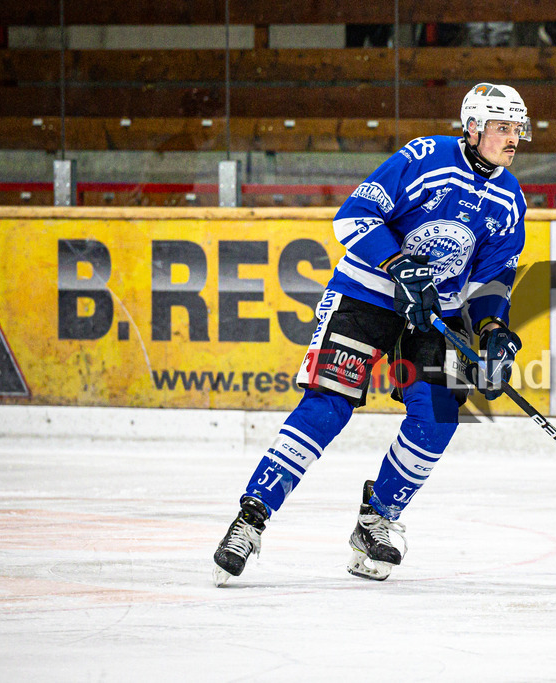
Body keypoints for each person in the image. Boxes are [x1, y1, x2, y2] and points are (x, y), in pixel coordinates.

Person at [212, 83, 531, 585]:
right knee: (327, 405)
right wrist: (400, 264)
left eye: (517, 129)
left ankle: (377, 518)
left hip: (435, 313)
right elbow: (354, 215)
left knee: (439, 415)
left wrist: (491, 329)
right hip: (367, 295)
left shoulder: (511, 200)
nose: (513, 138)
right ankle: (251, 519)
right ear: (472, 127)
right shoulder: (425, 157)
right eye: (502, 127)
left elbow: (491, 280)